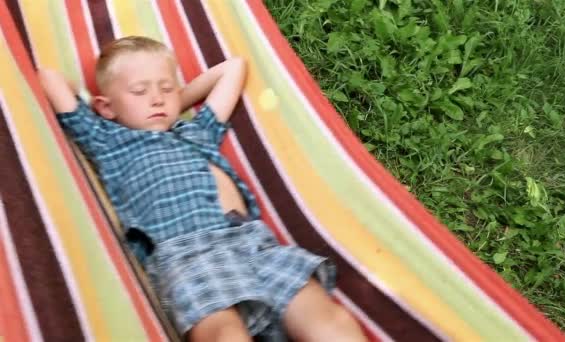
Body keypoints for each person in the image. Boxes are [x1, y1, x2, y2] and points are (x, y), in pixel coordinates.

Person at [38, 36, 366, 342]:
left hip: (254, 242)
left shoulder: (198, 130)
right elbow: (50, 79)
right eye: (140, 91)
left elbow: (233, 68)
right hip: (187, 254)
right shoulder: (107, 139)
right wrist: (117, 109)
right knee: (225, 334)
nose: (156, 98)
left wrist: (172, 103)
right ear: (106, 107)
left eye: (167, 88)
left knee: (328, 318)